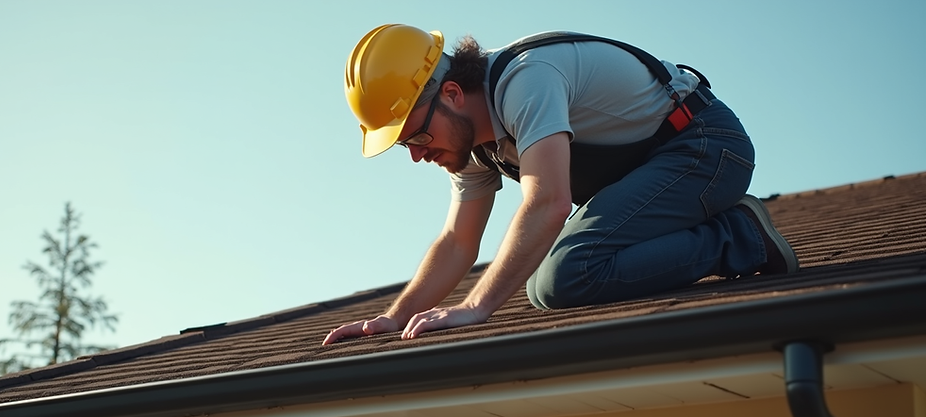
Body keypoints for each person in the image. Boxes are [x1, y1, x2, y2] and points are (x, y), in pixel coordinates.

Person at [323, 24, 797, 345]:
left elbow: (549, 202)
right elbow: (457, 241)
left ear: (451, 94)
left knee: (564, 275)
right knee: (555, 278)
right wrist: (395, 317)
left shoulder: (525, 82)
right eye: (404, 145)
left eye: (418, 135)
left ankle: (740, 237)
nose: (417, 154)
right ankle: (730, 230)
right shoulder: (472, 142)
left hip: (706, 149)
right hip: (653, 169)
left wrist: (474, 307)